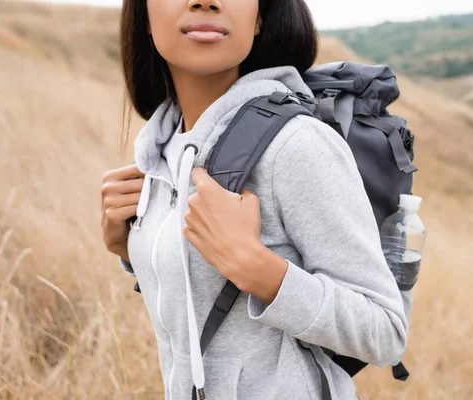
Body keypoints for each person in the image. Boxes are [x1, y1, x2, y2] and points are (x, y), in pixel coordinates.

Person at [100, 0, 409, 399]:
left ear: (260, 15)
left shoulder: (296, 145)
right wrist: (128, 248)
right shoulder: (160, 153)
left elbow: (386, 332)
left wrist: (260, 271)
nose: (205, 0)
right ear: (142, 14)